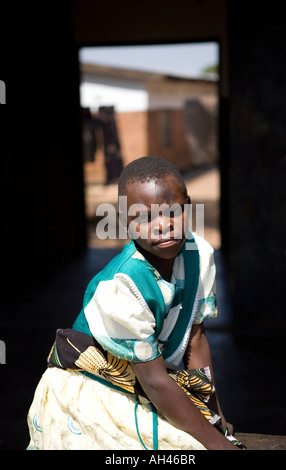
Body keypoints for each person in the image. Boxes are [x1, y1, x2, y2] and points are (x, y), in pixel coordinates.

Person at [27, 156, 244, 450]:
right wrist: (217, 445)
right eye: (142, 217)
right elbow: (155, 382)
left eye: (172, 212)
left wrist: (215, 417)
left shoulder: (199, 255)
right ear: (123, 221)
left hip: (149, 385)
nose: (162, 226)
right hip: (98, 392)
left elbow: (196, 340)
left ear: (188, 206)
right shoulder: (122, 285)